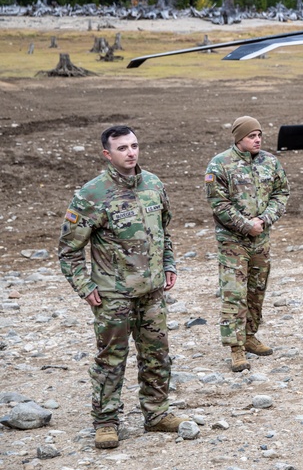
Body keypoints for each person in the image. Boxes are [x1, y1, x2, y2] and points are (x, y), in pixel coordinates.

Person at [58, 125, 188, 449]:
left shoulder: (154, 184)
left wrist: (169, 264)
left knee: (157, 355)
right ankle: (105, 422)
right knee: (111, 359)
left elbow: (164, 232)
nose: (131, 153)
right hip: (113, 295)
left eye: (134, 146)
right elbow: (68, 249)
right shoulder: (92, 194)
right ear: (107, 154)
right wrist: (84, 286)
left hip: (153, 291)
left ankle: (157, 415)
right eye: (122, 148)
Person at [205, 116, 289, 372]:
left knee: (256, 290)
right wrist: (245, 225)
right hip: (233, 241)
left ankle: (250, 335)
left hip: (261, 239)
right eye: (252, 136)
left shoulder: (270, 162)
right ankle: (236, 348)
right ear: (238, 138)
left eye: (259, 135)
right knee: (234, 293)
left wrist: (264, 219)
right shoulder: (219, 165)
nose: (258, 139)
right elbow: (218, 204)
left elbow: (281, 193)